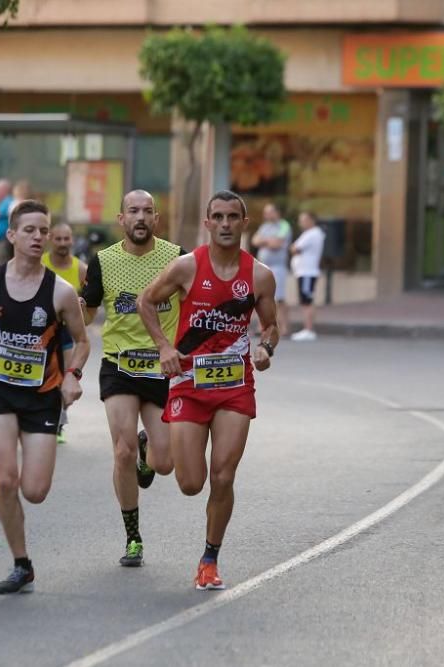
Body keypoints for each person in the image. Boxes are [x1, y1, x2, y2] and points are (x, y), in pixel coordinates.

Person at [0, 199, 89, 595]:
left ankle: (22, 556)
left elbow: (81, 341)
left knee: (35, 491)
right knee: (6, 480)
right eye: (30, 230)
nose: (39, 237)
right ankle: (21, 563)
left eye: (43, 230)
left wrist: (73, 376)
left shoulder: (60, 292)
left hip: (42, 397)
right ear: (11, 235)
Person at [137, 189, 278, 591]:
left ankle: (209, 559)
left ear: (244, 223)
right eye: (218, 217)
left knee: (223, 475)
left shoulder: (260, 275)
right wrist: (164, 346)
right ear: (207, 223)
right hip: (188, 383)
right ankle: (149, 446)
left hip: (235, 386)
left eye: (233, 217)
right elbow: (146, 301)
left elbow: (271, 326)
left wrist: (265, 348)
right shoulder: (185, 267)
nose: (226, 224)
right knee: (190, 483)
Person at [81, 189, 181, 568]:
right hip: (119, 365)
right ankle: (133, 537)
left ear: (157, 218)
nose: (140, 217)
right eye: (133, 211)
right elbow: (88, 314)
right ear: (120, 219)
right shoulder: (104, 261)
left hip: (162, 368)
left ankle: (147, 449)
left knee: (166, 462)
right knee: (120, 452)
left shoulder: (176, 257)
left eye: (147, 211)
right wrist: (72, 311)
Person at [42, 221, 88, 444]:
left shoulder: (80, 269)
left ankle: (59, 421)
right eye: (58, 239)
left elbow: (91, 304)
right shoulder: (40, 263)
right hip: (40, 333)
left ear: (72, 240)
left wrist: (82, 309)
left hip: (66, 334)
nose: (62, 243)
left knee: (65, 375)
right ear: (51, 239)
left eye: (66, 239)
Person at [250, 202, 291, 333]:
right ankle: (261, 326)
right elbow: (255, 240)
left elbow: (277, 244)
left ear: (276, 212)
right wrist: (268, 240)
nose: (265, 215)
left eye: (268, 212)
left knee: (279, 298)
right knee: (259, 297)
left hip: (277, 267)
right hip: (263, 267)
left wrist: (264, 241)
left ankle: (283, 327)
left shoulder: (284, 226)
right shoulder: (265, 226)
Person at [289, 210, 325, 342]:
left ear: (311, 220)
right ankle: (307, 328)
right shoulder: (309, 234)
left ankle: (308, 329)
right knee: (305, 301)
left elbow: (294, 248)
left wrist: (294, 249)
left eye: (303, 219)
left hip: (307, 272)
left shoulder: (312, 234)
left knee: (307, 301)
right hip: (303, 272)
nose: (301, 222)